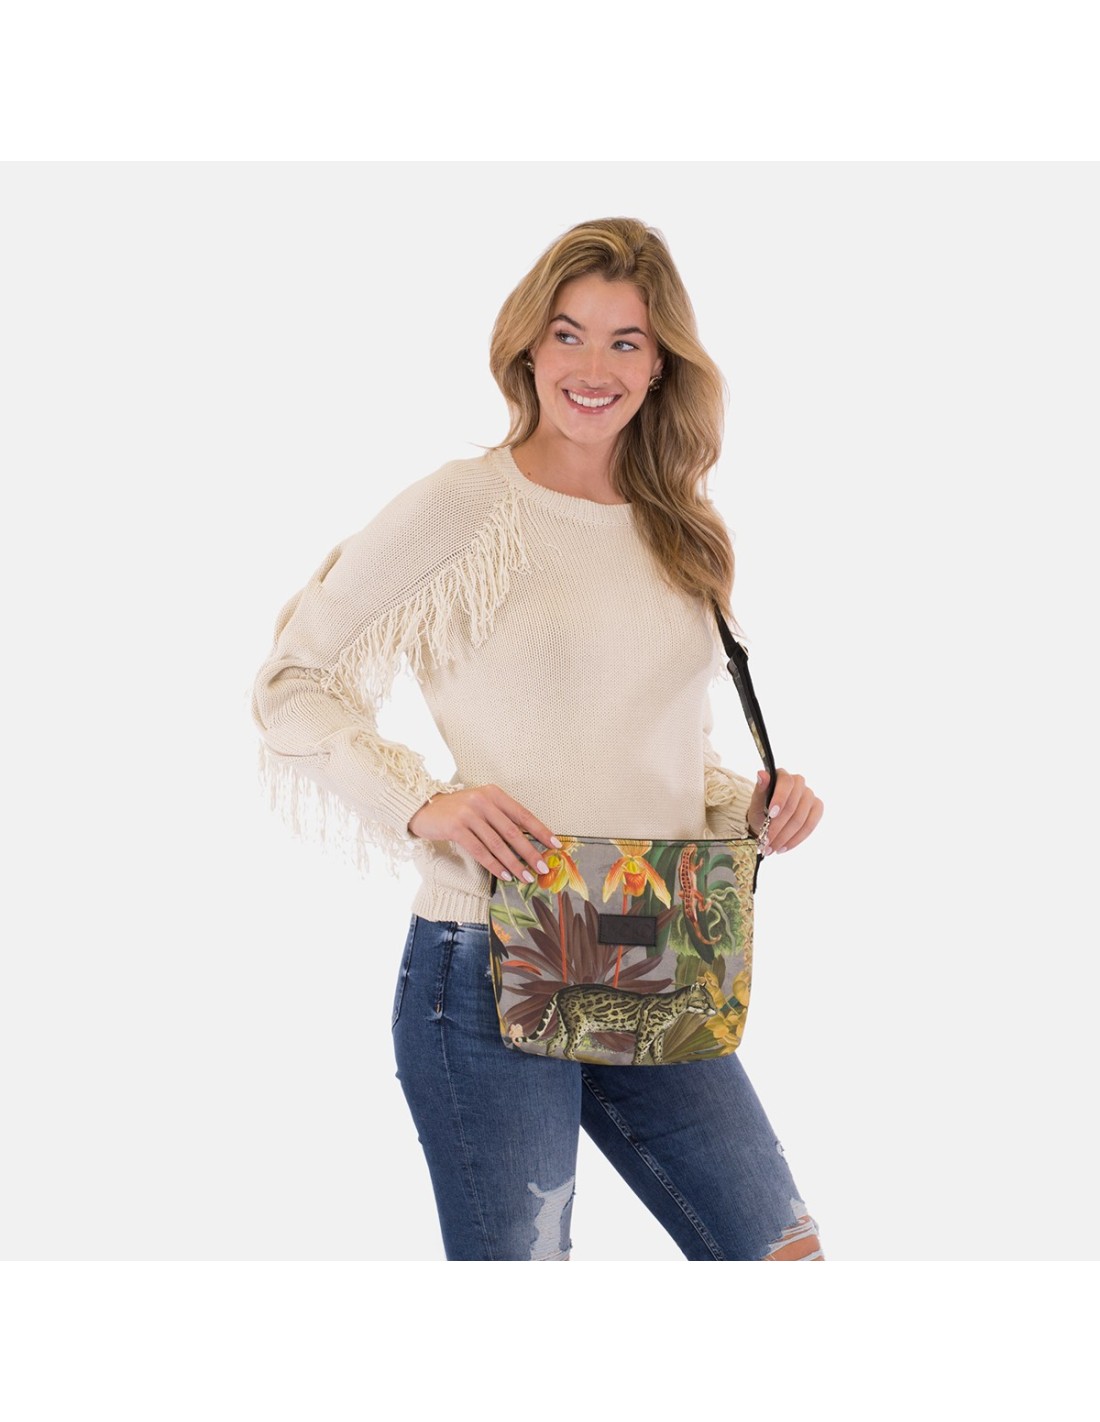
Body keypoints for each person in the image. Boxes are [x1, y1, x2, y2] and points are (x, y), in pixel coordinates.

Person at [250, 216, 826, 1261]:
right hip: (490, 959)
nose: (591, 368)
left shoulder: (681, 528)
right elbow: (293, 683)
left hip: (656, 952)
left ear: (659, 365)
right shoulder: (464, 507)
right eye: (568, 335)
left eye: (624, 341)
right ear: (527, 346)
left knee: (781, 1255)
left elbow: (653, 740)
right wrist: (422, 804)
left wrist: (743, 799)